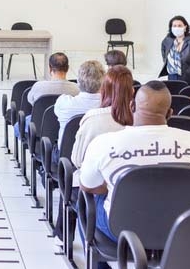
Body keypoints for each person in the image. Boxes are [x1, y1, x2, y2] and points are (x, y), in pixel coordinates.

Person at [80, 81, 190, 268]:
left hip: (120, 230)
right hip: (178, 229)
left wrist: (114, 188)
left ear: (132, 106)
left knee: (85, 202)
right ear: (170, 113)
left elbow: (87, 185)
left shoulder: (104, 143)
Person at [53, 65, 134, 248]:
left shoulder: (92, 118)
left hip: (99, 184)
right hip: (134, 190)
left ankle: (63, 234)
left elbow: (77, 160)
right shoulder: (138, 117)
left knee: (74, 178)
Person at [53, 60, 105, 144]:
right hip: (97, 155)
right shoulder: (109, 109)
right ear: (103, 83)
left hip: (66, 155)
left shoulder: (64, 102)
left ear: (78, 81)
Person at [159, 15, 190, 86]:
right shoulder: (166, 41)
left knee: (187, 96)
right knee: (174, 97)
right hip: (172, 78)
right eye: (174, 26)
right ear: (171, 28)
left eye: (180, 25)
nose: (177, 28)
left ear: (185, 27)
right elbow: (165, 57)